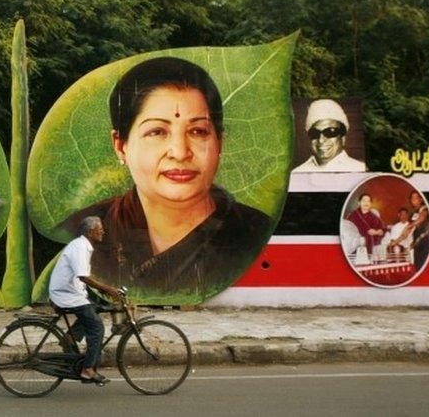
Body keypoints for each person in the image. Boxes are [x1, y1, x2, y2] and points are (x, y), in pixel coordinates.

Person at [61, 57, 270, 296]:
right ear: (120, 146)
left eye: (198, 131)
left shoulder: (254, 235)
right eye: (157, 131)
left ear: (219, 142)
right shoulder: (80, 232)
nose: (180, 152)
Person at [49, 216, 120, 385]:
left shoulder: (83, 246)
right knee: (96, 328)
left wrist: (105, 289)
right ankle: (88, 370)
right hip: (66, 295)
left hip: (72, 293)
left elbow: (83, 276)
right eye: (99, 228)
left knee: (93, 309)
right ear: (90, 232)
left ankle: (70, 339)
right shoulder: (80, 247)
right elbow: (83, 277)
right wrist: (108, 289)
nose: (103, 231)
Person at [292, 99, 366, 172]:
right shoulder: (297, 172)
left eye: (330, 132)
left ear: (343, 138)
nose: (321, 140)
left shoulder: (359, 169)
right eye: (315, 133)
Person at [407, 191, 429, 268]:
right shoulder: (413, 213)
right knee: (417, 264)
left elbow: (421, 218)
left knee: (424, 264)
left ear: (420, 199)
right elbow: (413, 229)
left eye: (416, 198)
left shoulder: (425, 208)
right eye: (412, 198)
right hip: (417, 242)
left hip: (426, 241)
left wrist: (409, 226)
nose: (413, 200)